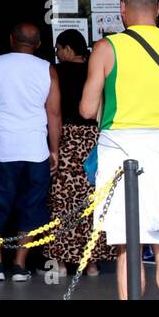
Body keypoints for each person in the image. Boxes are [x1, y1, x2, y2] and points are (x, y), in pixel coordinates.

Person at [80, 0, 159, 300]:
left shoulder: (107, 48)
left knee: (128, 244)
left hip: (119, 155)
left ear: (122, 9)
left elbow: (86, 110)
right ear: (157, 8)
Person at [0, 22, 60, 281]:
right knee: (31, 207)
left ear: (11, 39)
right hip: (36, 150)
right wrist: (54, 149)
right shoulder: (47, 69)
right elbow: (53, 113)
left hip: (1, 149)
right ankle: (20, 266)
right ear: (39, 44)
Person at [46, 29, 113, 276]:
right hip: (94, 140)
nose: (57, 54)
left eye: (58, 49)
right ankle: (92, 263)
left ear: (68, 49)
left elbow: (52, 111)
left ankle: (61, 263)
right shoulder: (95, 71)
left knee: (62, 201)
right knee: (92, 200)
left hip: (65, 139)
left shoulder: (56, 72)